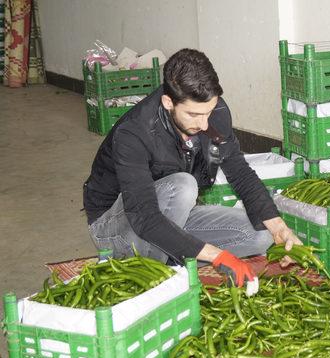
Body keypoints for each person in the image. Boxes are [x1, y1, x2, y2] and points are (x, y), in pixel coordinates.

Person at [83, 48, 302, 288]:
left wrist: (278, 226)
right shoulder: (134, 133)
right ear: (168, 102)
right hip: (118, 224)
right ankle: (151, 274)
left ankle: (172, 256)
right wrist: (216, 255)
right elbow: (144, 216)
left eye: (208, 112)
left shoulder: (213, 113)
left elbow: (240, 171)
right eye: (194, 115)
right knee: (183, 186)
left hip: (173, 214)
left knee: (260, 234)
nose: (204, 123)